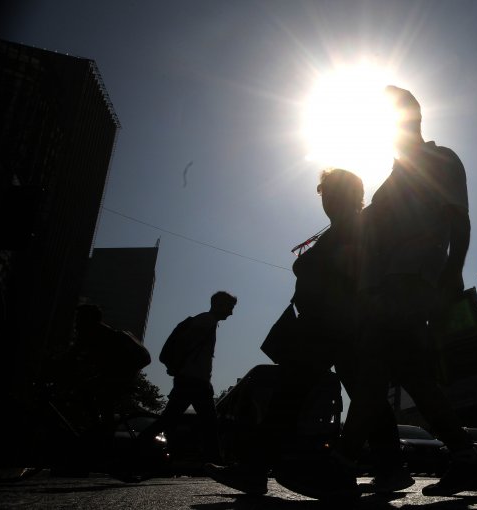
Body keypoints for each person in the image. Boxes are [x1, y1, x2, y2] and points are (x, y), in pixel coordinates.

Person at [303, 85, 477, 499]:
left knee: (374, 370)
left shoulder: (440, 158)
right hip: (391, 288)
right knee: (410, 375)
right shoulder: (390, 181)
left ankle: (343, 461)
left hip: (414, 283)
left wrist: (453, 270)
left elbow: (458, 219)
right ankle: (468, 459)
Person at [206, 169, 407, 499]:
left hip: (333, 325)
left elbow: (352, 273)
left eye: (332, 191)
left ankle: (254, 469)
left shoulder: (357, 228)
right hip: (331, 326)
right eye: (323, 192)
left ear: (351, 194)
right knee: (361, 395)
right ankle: (392, 467)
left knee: (290, 393)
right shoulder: (342, 229)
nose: (326, 198)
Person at [138, 291, 237, 464]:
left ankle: (140, 445)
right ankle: (215, 461)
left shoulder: (207, 322)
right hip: (195, 380)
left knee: (172, 419)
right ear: (219, 305)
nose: (231, 312)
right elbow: (184, 344)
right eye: (230, 307)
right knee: (209, 423)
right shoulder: (205, 321)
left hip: (190, 379)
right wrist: (179, 365)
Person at [71, 304, 151, 433]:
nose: (77, 321)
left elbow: (72, 355)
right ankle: (99, 429)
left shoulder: (93, 332)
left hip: (119, 376)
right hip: (118, 374)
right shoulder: (98, 331)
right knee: (90, 393)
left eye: (79, 317)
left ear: (88, 319)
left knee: (99, 397)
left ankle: (103, 435)